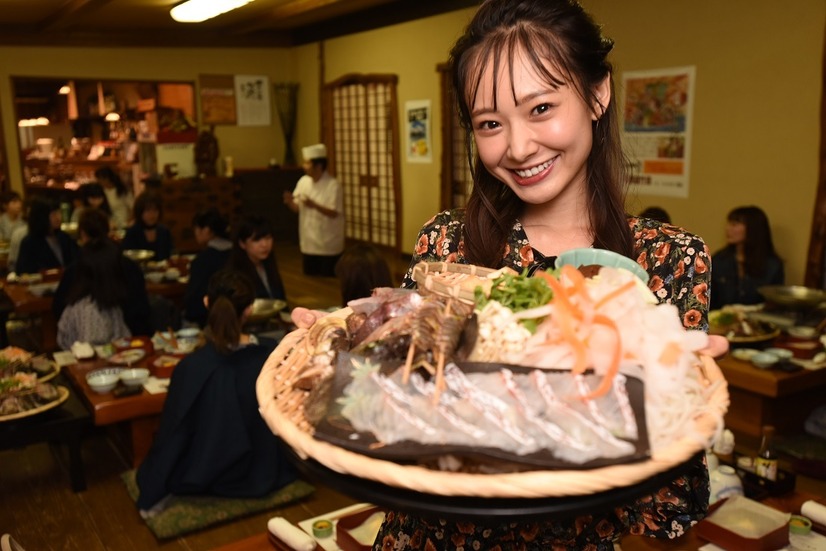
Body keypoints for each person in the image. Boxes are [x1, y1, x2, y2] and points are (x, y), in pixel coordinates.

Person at [294, 1, 714, 548]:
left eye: (540, 108)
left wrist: (672, 396)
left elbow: (669, 517)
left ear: (597, 93)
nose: (517, 148)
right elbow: (393, 440)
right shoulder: (446, 247)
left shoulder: (669, 261)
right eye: (490, 123)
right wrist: (340, 367)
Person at [135, 269, 297, 515]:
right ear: (250, 309)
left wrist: (153, 486)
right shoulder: (271, 354)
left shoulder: (192, 366)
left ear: (206, 303)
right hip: (266, 469)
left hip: (210, 472)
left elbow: (174, 433)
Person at [53, 208, 152, 339]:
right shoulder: (129, 264)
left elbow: (58, 308)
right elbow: (142, 309)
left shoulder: (77, 268)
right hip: (136, 339)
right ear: (108, 231)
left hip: (89, 345)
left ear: (82, 235)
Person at [283, 143, 344, 277]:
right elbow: (297, 208)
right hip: (309, 239)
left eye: (307, 163)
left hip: (328, 240)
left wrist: (313, 205)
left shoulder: (333, 185)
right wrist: (289, 202)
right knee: (310, 275)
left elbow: (334, 213)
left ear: (318, 166)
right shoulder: (303, 181)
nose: (304, 166)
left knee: (327, 277)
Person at [711, 205, 784, 310]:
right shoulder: (719, 260)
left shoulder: (772, 265)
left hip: (757, 322)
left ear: (752, 229)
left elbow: (775, 304)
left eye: (734, 224)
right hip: (720, 321)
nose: (728, 228)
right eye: (729, 223)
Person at [183, 209, 232, 327]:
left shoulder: (203, 260)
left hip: (208, 320)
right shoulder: (236, 253)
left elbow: (193, 302)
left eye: (196, 229)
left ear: (206, 230)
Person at [228, 215, 286, 301]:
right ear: (242, 244)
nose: (264, 245)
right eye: (257, 240)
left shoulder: (267, 264)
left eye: (268, 238)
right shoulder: (235, 274)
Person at [16, 195, 78, 275]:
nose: (58, 217)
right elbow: (24, 273)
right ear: (41, 216)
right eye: (53, 214)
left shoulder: (64, 237)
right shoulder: (30, 243)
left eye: (59, 212)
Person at [121, 191, 174, 261]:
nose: (152, 215)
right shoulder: (132, 233)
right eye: (148, 210)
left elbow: (170, 255)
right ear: (140, 212)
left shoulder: (164, 231)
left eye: (155, 210)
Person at [95, 165, 133, 230]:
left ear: (107, 178)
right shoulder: (101, 193)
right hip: (108, 226)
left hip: (123, 225)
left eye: (100, 179)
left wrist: (128, 222)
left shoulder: (122, 191)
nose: (99, 182)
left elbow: (132, 207)